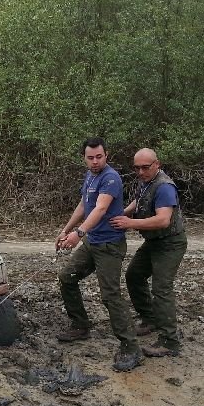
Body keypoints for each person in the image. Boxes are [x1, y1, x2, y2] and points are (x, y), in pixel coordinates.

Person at [55, 137, 142, 372]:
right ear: (84, 158)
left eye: (99, 157)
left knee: (110, 295)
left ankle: (130, 347)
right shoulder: (90, 176)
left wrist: (79, 233)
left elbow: (101, 208)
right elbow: (84, 205)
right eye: (90, 158)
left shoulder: (110, 178)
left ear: (106, 155)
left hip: (109, 245)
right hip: (92, 242)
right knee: (67, 277)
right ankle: (80, 325)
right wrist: (65, 230)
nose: (95, 161)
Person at [111, 148, 187, 357]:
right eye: (137, 168)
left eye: (145, 167)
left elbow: (163, 220)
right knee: (134, 275)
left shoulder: (165, 187)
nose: (141, 172)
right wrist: (123, 213)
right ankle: (150, 318)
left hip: (170, 243)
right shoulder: (146, 181)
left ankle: (170, 341)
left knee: (162, 289)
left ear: (157, 164)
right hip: (153, 241)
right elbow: (140, 200)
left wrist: (129, 223)